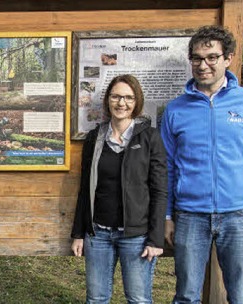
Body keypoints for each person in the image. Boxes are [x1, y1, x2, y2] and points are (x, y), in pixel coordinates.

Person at [161, 25, 243, 303]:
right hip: (190, 216)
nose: (203, 65)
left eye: (211, 57)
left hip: (240, 216)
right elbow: (167, 167)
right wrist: (167, 216)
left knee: (241, 297)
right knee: (185, 296)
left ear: (228, 58)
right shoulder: (175, 110)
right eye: (196, 58)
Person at [71, 74, 168, 304]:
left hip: (135, 236)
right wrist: (78, 233)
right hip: (98, 235)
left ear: (137, 102)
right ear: (108, 100)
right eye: (116, 96)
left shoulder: (150, 137)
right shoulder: (95, 138)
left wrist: (155, 239)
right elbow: (85, 189)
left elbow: (159, 190)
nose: (121, 103)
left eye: (128, 98)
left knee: (138, 299)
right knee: (96, 299)